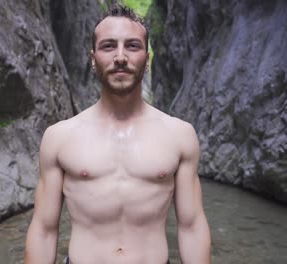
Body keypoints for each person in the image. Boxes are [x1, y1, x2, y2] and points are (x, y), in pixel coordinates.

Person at [24, 4, 211, 264]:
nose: (120, 56)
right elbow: (44, 229)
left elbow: (191, 226)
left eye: (132, 46)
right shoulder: (59, 138)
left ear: (146, 59)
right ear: (93, 58)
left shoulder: (180, 135)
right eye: (109, 46)